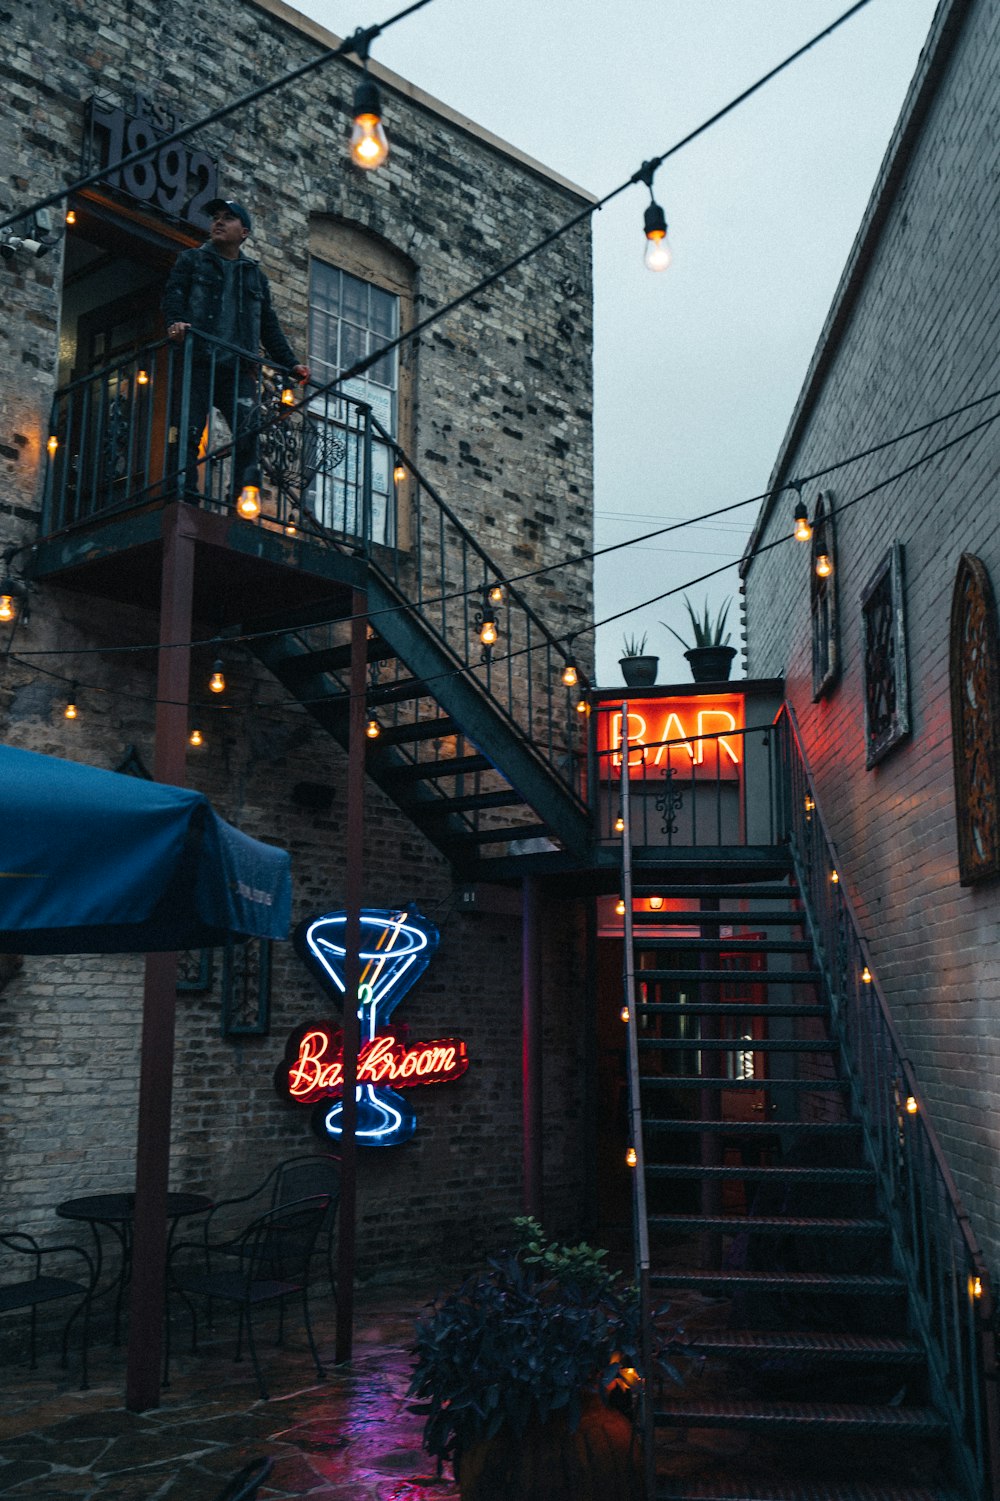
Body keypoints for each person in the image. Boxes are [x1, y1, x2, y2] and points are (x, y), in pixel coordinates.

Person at [161, 198, 309, 503]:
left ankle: (243, 499)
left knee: (248, 433)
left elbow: (269, 325)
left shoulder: (254, 275)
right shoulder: (192, 261)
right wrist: (175, 323)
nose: (218, 222)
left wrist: (291, 363)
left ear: (244, 232)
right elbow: (172, 297)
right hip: (198, 361)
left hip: (239, 368)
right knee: (186, 431)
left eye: (228, 218)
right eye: (216, 217)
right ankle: (182, 497)